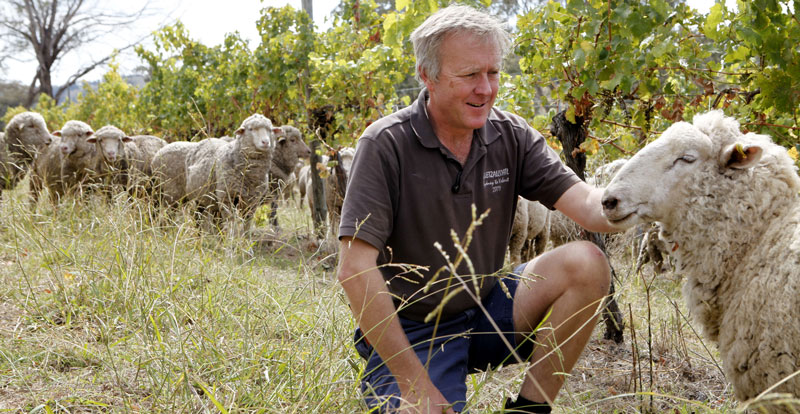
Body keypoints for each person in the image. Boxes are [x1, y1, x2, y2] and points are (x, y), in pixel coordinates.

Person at [336, 5, 617, 413]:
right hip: (414, 330)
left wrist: (659, 196)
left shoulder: (511, 135)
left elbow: (592, 208)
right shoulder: (385, 145)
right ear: (426, 76)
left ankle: (528, 410)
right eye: (469, 75)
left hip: (489, 309)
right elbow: (354, 270)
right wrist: (413, 384)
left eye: (493, 73)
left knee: (587, 263)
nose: (486, 89)